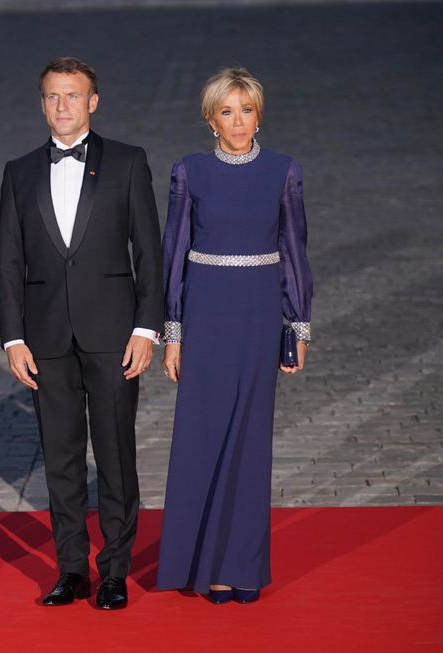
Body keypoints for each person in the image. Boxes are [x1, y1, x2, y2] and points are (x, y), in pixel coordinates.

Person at [0, 57, 163, 610]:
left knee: (115, 456)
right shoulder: (17, 172)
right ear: (41, 102)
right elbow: (7, 260)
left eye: (72, 95)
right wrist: (13, 338)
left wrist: (146, 327)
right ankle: (72, 569)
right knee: (60, 458)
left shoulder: (128, 163)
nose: (61, 105)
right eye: (52, 96)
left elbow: (150, 254)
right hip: (46, 342)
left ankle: (114, 569)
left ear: (93, 101)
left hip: (115, 334)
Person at [156, 67, 313, 604]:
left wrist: (297, 324)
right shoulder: (189, 173)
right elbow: (172, 254)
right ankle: (197, 564)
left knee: (249, 442)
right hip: (204, 316)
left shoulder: (283, 172)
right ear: (211, 118)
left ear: (259, 115)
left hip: (257, 316)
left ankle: (239, 566)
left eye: (246, 110)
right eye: (227, 111)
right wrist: (171, 332)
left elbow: (294, 252)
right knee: (201, 437)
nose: (238, 120)